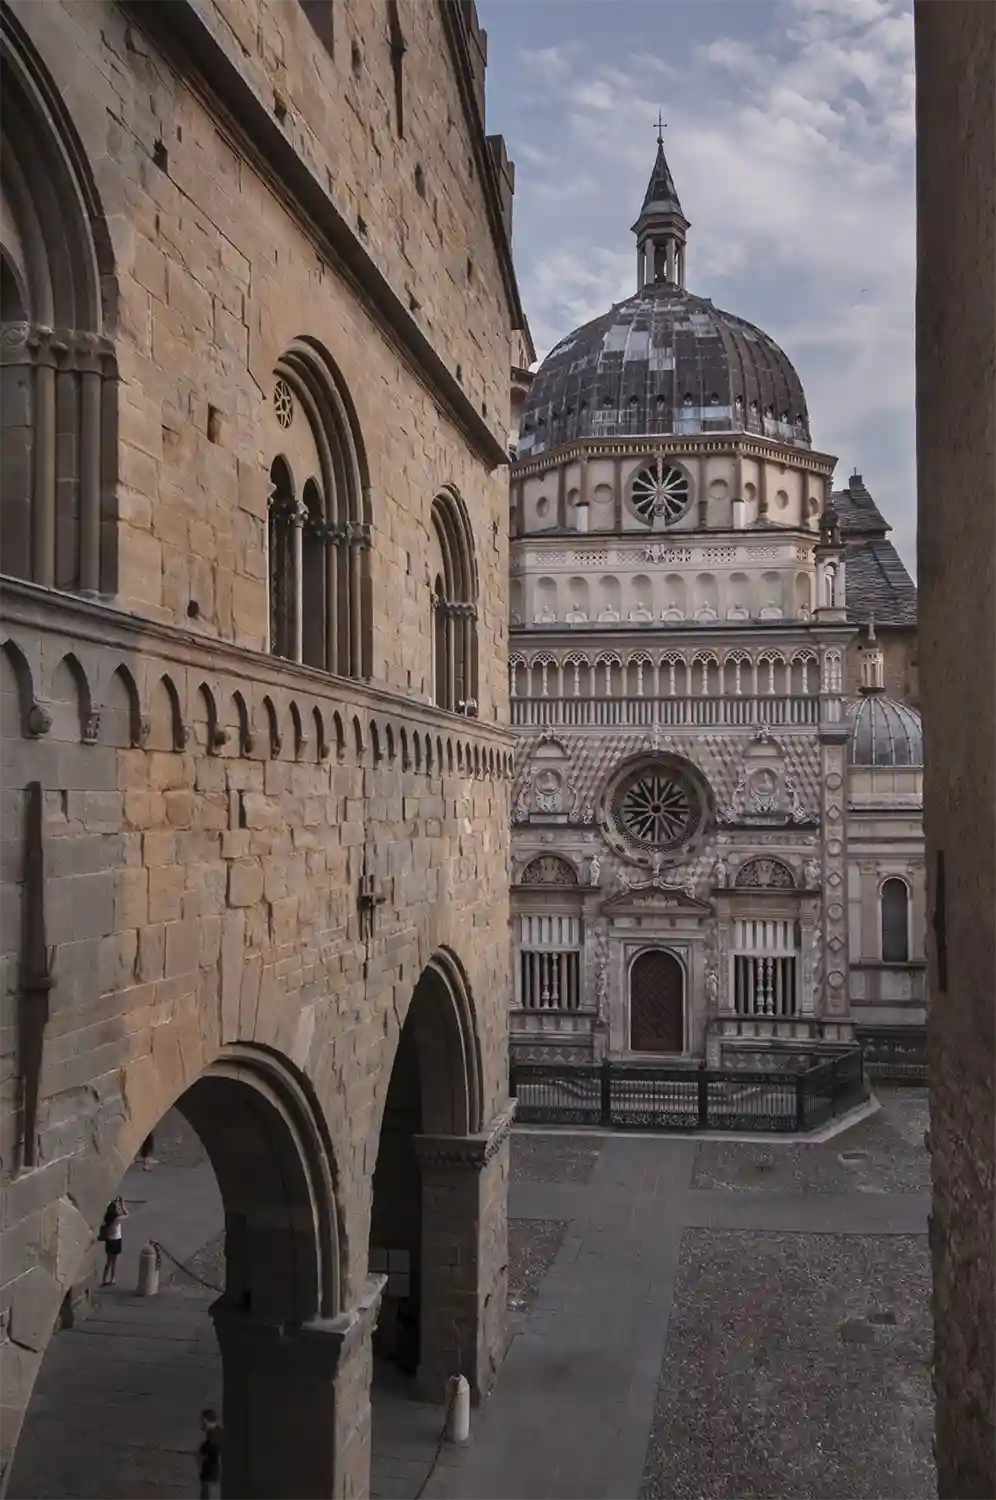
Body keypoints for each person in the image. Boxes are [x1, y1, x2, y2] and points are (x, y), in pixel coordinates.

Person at [99, 1197, 128, 1287]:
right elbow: (127, 1214)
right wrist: (123, 1205)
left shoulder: (108, 1218)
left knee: (108, 1262)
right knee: (114, 1261)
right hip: (116, 1240)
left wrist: (113, 1203)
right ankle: (112, 1278)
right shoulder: (117, 1219)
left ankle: (104, 1279)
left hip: (109, 1240)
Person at [198, 1408, 223, 1497]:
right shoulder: (216, 1433)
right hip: (210, 1473)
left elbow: (212, 1454)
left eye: (202, 1421)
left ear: (206, 1420)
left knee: (207, 1494)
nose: (201, 1423)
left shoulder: (214, 1437)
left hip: (211, 1474)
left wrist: (202, 1453)